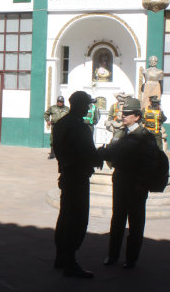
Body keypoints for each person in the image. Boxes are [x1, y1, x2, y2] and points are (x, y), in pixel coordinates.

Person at [97, 97, 158, 269]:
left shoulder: (146, 137)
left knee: (136, 223)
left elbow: (151, 164)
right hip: (120, 181)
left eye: (127, 113)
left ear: (137, 116)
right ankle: (112, 255)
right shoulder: (121, 133)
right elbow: (113, 153)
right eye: (123, 113)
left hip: (136, 184)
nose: (123, 116)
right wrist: (101, 153)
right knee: (117, 220)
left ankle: (131, 259)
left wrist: (142, 184)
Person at [52, 91, 102, 279]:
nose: (89, 108)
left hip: (66, 174)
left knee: (65, 217)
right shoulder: (78, 127)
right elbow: (86, 152)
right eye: (87, 104)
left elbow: (60, 150)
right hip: (77, 176)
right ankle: (70, 262)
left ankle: (61, 257)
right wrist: (100, 156)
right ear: (79, 105)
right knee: (77, 219)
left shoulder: (62, 123)